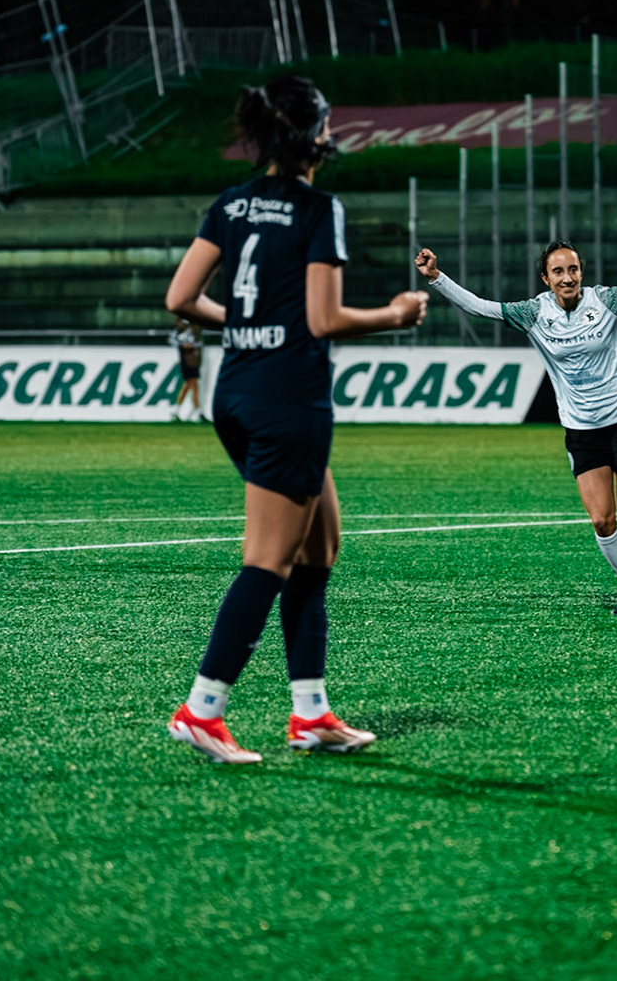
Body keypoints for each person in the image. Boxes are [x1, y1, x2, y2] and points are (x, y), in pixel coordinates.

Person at [164, 75, 429, 765]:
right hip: (289, 400)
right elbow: (324, 319)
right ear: (314, 135)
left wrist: (245, 321)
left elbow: (180, 297)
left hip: (237, 393)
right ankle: (202, 709)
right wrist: (396, 315)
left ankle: (310, 713)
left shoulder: (231, 203)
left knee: (318, 550)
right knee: (268, 562)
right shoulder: (318, 208)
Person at [414, 218, 617, 614]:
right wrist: (436, 278)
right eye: (558, 271)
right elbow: (481, 307)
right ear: (546, 278)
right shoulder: (533, 313)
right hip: (581, 429)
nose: (567, 277)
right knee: (602, 520)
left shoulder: (607, 301)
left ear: (581, 273)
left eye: (573, 269)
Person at [169, 316, 205, 422]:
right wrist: (183, 345)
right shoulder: (178, 332)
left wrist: (192, 345)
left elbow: (200, 343)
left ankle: (176, 411)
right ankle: (198, 412)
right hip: (186, 360)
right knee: (194, 386)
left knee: (187, 386)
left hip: (193, 360)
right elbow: (172, 342)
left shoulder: (194, 331)